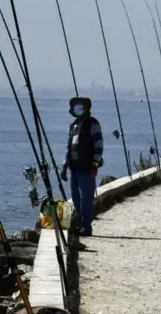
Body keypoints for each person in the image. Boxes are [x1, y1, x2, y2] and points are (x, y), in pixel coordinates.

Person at [59, 97, 103, 237]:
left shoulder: (93, 124)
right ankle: (79, 224)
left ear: (85, 108)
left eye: (79, 106)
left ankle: (86, 226)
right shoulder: (73, 126)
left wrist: (95, 164)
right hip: (74, 168)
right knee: (76, 197)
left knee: (87, 197)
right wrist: (65, 167)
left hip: (87, 167)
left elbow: (99, 145)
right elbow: (69, 148)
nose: (76, 109)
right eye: (74, 106)